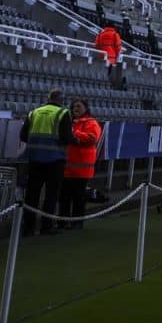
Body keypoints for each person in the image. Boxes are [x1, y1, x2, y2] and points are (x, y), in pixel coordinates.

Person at [20, 89, 70, 235]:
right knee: (51, 194)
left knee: (31, 194)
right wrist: (75, 140)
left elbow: (23, 135)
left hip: (34, 158)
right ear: (61, 100)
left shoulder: (34, 112)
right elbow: (66, 137)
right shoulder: (63, 113)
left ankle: (28, 227)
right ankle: (46, 226)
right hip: (55, 159)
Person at [61, 99, 102, 231]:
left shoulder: (91, 123)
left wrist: (73, 134)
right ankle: (63, 222)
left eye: (78, 106)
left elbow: (91, 139)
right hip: (66, 168)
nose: (75, 109)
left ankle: (77, 223)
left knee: (78, 197)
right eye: (73, 107)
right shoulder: (68, 123)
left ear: (86, 108)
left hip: (82, 169)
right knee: (64, 198)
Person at [94, 21, 124, 88]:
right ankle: (105, 85)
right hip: (111, 57)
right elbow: (118, 46)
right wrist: (116, 55)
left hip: (102, 56)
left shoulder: (101, 34)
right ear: (113, 27)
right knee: (108, 72)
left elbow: (97, 45)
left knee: (101, 71)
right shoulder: (115, 34)